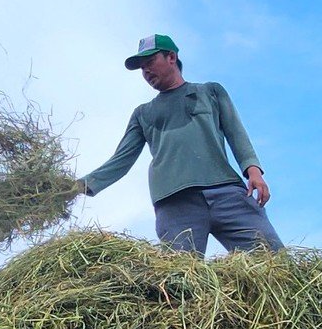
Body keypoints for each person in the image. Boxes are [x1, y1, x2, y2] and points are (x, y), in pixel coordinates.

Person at [76, 33, 283, 256]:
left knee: (273, 260)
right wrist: (77, 187)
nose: (146, 71)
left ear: (171, 57)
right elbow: (121, 159)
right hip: (175, 203)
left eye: (150, 63)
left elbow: (236, 133)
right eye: (142, 68)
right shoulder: (143, 114)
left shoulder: (210, 92)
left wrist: (253, 171)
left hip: (226, 192)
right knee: (179, 279)